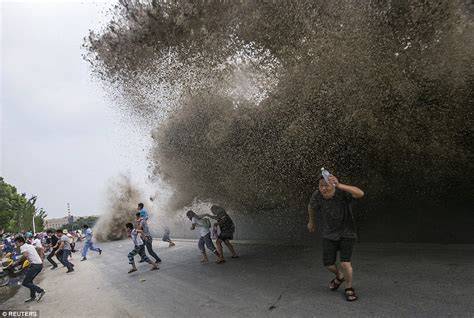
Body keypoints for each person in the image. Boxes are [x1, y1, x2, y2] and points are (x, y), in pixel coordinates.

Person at [307, 174, 364, 301]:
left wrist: (339, 185)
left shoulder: (342, 193)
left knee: (345, 263)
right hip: (329, 233)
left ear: (333, 185)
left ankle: (349, 287)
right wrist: (311, 221)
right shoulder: (317, 195)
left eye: (326, 185)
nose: (323, 188)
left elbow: (360, 193)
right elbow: (311, 207)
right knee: (328, 264)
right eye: (321, 185)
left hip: (346, 233)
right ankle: (339, 276)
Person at [11, 236, 46, 303]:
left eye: (16, 243)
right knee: (30, 281)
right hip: (38, 265)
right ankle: (33, 297)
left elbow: (25, 255)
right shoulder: (29, 245)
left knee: (25, 283)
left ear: (21, 242)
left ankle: (40, 291)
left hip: (35, 265)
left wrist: (17, 263)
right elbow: (41, 249)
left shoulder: (22, 247)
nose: (16, 245)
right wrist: (41, 259)